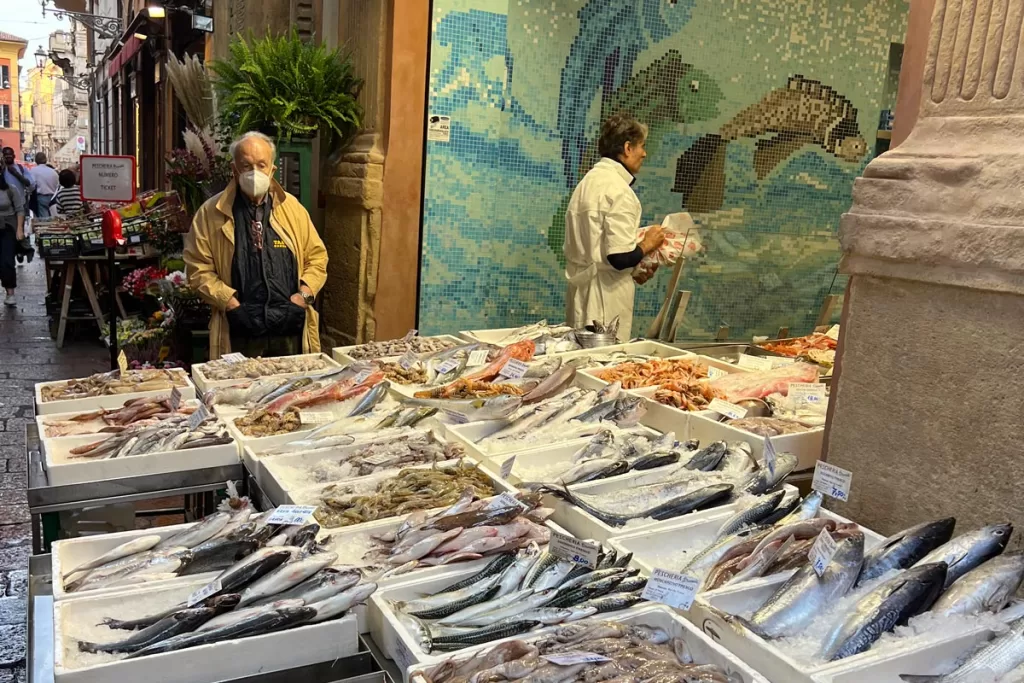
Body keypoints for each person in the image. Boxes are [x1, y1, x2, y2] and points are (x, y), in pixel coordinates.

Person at [184, 131, 328, 359]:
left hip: (289, 327)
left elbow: (318, 260)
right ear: (234, 170)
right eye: (246, 165)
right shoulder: (211, 214)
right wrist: (231, 305)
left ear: (272, 169)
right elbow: (197, 269)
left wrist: (303, 298)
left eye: (261, 165)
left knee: (293, 389)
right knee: (238, 391)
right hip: (239, 329)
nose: (254, 173)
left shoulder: (293, 209)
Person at [563, 114, 665, 342]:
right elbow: (618, 258)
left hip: (582, 292)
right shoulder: (619, 191)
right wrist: (649, 243)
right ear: (628, 148)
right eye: (642, 146)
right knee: (602, 366)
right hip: (604, 300)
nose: (645, 154)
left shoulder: (586, 183)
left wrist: (638, 262)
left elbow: (598, 246)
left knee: (580, 363)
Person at [2, 148, 34, 264]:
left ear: (14, 156)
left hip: (20, 204)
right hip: (5, 208)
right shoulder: (1, 170)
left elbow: (30, 184)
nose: (8, 157)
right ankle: (12, 253)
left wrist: (15, 174)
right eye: (6, 155)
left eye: (10, 155)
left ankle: (20, 250)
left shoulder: (21, 169)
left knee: (21, 229)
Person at [0, 172, 25, 307]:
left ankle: (10, 293)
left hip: (7, 227)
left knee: (7, 261)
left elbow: (20, 209)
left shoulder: (10, 189)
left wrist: (19, 228)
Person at [30, 152, 59, 218]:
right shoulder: (53, 172)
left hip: (41, 197)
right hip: (54, 198)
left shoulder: (33, 171)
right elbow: (57, 185)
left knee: (44, 218)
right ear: (45, 160)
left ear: (36, 160)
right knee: (54, 217)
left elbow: (31, 185)